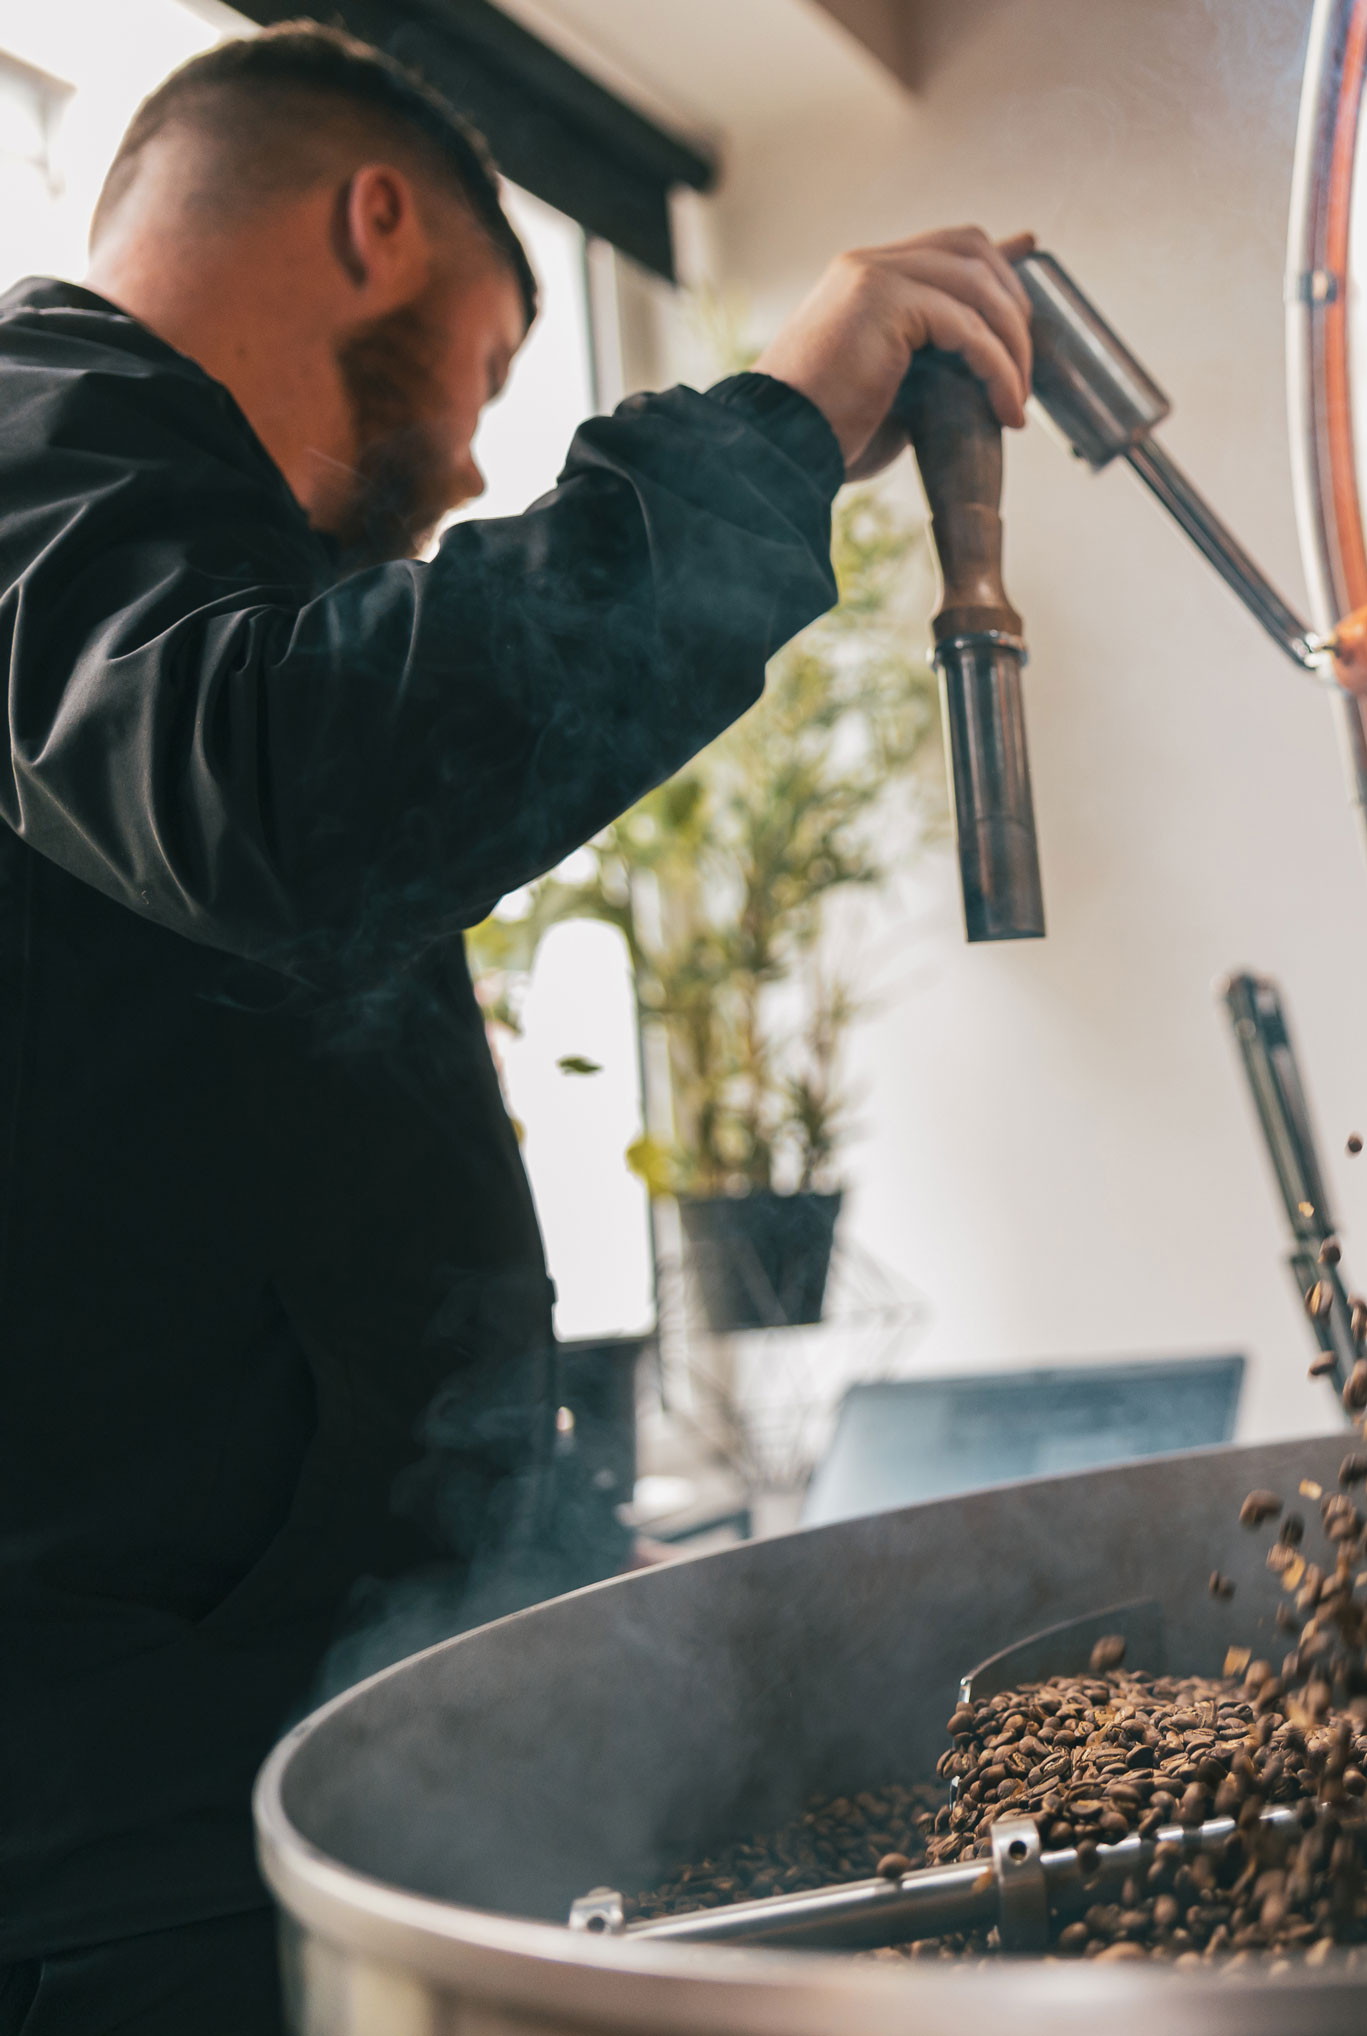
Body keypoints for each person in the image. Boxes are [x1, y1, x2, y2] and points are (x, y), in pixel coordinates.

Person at [0, 20, 1032, 2034]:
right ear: (371, 219)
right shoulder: (35, 436)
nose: (477, 456)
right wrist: (770, 436)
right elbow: (285, 793)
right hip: (140, 1866)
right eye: (486, 369)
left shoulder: (167, 556)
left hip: (279, 1782)